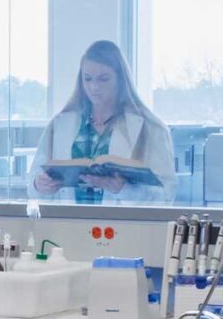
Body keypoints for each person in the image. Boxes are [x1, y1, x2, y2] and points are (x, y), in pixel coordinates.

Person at [32, 39, 173, 204]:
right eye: (88, 79)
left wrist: (124, 190)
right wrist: (39, 185)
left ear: (120, 80)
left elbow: (167, 195)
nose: (94, 87)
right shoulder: (60, 125)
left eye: (103, 79)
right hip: (70, 218)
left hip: (120, 220)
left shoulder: (150, 128)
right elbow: (34, 179)